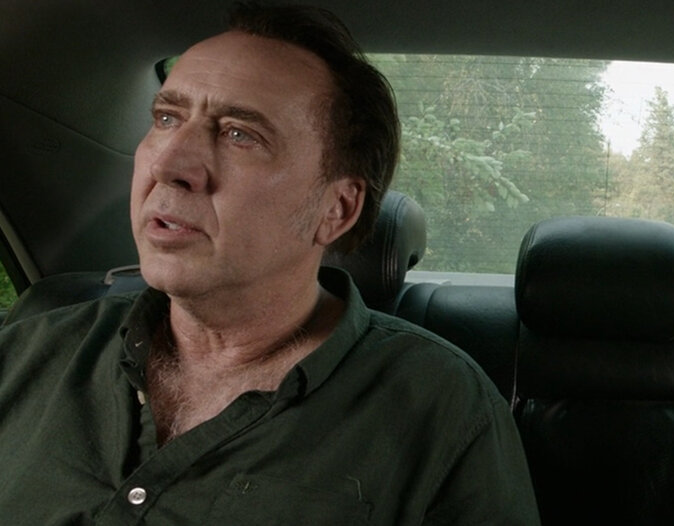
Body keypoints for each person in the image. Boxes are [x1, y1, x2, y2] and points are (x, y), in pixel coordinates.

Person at [0, 4, 539, 524]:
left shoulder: (442, 411)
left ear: (335, 210)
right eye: (166, 118)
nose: (168, 163)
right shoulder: (29, 350)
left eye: (240, 134)